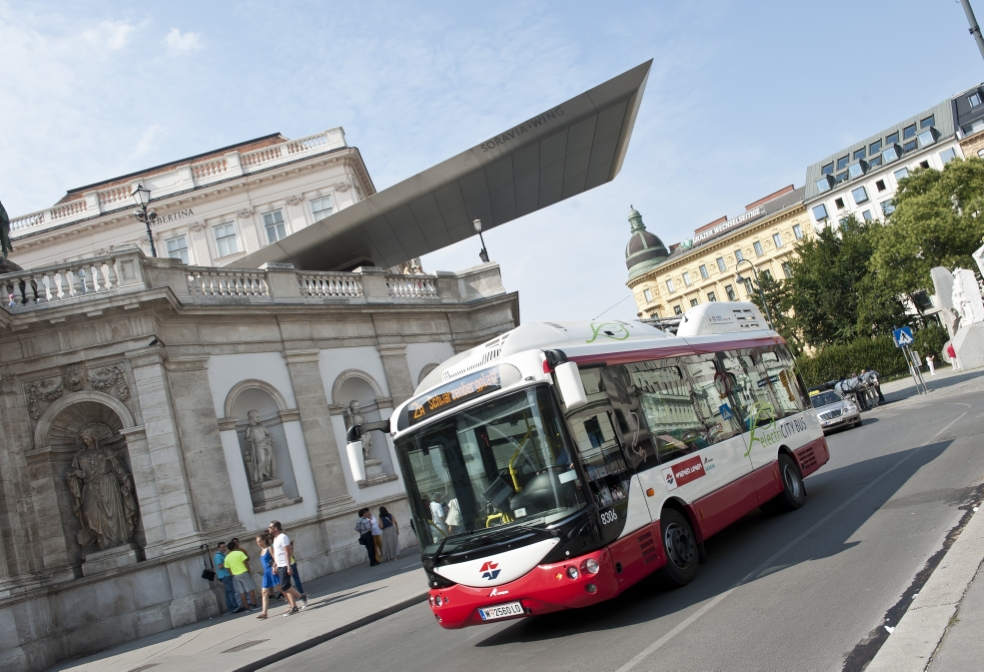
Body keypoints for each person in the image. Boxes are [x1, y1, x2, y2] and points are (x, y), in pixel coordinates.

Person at [269, 520, 306, 616]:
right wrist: (275, 565)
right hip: (280, 565)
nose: (269, 529)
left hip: (285, 565)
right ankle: (294, 607)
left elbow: (287, 552)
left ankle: (301, 596)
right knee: (287, 587)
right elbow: (277, 554)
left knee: (285, 586)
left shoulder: (283, 537)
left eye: (270, 527)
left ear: (275, 528)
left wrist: (289, 567)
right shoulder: (275, 539)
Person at [224, 540, 257, 613]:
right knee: (250, 589)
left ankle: (246, 607)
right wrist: (249, 571)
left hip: (236, 575)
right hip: (243, 572)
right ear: (235, 546)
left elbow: (227, 567)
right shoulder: (239, 553)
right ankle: (254, 604)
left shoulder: (227, 557)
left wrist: (231, 573)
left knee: (241, 591)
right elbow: (245, 562)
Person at [255, 532, 279, 619]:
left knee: (282, 589)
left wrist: (274, 567)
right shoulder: (262, 551)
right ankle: (264, 613)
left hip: (272, 571)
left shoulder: (269, 548)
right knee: (264, 593)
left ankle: (293, 602)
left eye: (260, 541)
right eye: (257, 542)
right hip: (266, 573)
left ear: (264, 540)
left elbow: (275, 559)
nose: (258, 543)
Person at [214, 541, 239, 614]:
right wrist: (227, 561)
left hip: (224, 575)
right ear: (219, 548)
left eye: (225, 547)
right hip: (225, 575)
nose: (224, 548)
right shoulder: (218, 556)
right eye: (222, 547)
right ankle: (235, 607)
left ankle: (231, 608)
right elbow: (219, 566)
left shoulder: (221, 555)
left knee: (228, 593)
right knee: (231, 592)